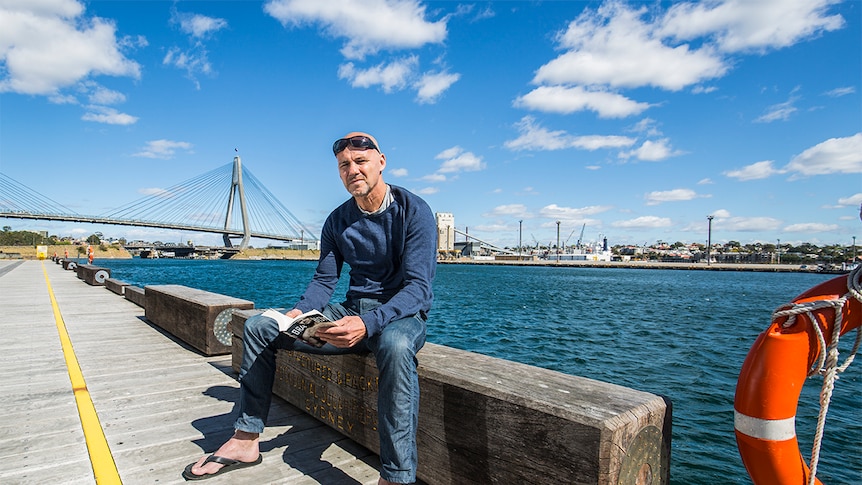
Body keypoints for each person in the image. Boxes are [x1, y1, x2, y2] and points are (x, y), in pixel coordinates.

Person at [183, 132, 437, 484]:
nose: (353, 171)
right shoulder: (337, 220)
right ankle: (246, 439)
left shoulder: (415, 211)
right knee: (259, 326)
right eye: (344, 165)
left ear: (381, 162)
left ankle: (396, 475)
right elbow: (323, 281)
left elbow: (418, 290)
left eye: (360, 162)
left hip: (399, 316)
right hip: (352, 311)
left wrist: (367, 323)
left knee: (395, 346)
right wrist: (297, 314)